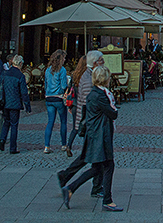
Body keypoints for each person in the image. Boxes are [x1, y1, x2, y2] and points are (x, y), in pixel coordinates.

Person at [61, 64, 122, 211]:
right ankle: (107, 200)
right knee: (108, 166)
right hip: (101, 136)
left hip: (95, 134)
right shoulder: (101, 95)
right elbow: (113, 113)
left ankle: (70, 188)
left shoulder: (93, 93)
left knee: (97, 168)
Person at [60, 51, 105, 196]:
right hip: (92, 125)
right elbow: (89, 105)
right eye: (101, 60)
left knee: (90, 156)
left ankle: (67, 176)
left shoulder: (91, 75)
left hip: (92, 124)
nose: (103, 62)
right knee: (95, 157)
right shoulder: (89, 79)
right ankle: (92, 187)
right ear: (95, 63)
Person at [0, 54, 31, 154]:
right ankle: (12, 148)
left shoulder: (5, 73)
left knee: (6, 122)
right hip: (15, 103)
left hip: (5, 102)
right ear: (20, 64)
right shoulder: (20, 76)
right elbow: (24, 92)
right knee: (14, 125)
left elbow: (0, 87)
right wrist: (27, 106)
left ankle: (2, 139)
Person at [44, 49, 68, 153]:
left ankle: (47, 146)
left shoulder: (47, 70)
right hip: (58, 98)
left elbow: (45, 84)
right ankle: (63, 145)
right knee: (63, 122)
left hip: (49, 97)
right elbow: (63, 86)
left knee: (50, 122)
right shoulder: (62, 70)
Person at [65, 55, 87, 156]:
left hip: (74, 103)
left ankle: (69, 145)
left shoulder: (74, 75)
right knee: (86, 126)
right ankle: (86, 149)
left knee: (75, 127)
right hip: (83, 104)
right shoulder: (87, 76)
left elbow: (70, 89)